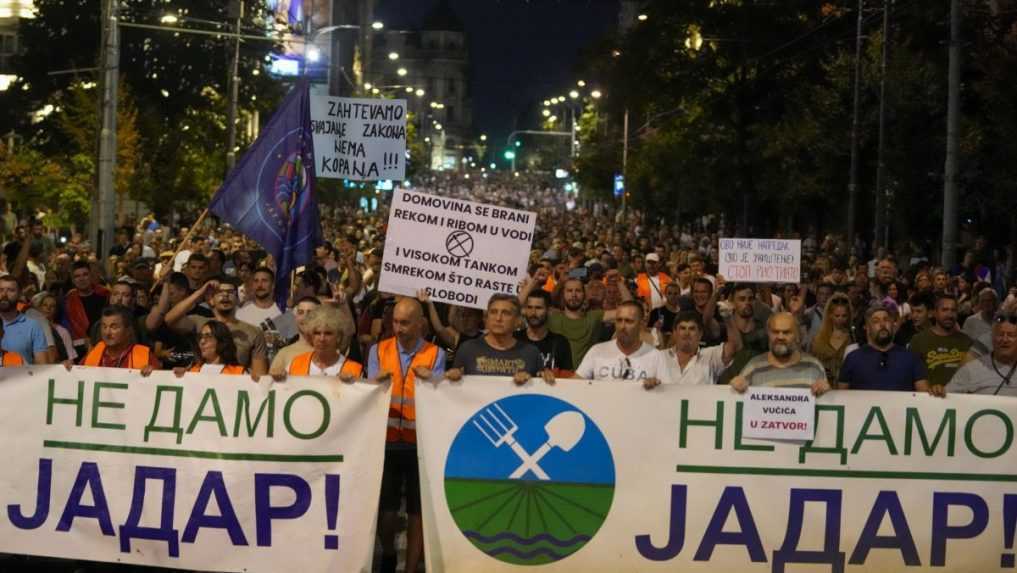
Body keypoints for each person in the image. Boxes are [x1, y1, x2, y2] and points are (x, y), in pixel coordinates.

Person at [366, 298, 445, 573]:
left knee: (417, 513)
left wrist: (433, 380)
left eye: (405, 322)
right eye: (395, 322)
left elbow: (441, 397)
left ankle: (411, 568)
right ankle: (388, 553)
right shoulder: (378, 350)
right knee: (386, 513)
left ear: (420, 323)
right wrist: (374, 381)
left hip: (419, 445)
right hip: (385, 442)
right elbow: (369, 392)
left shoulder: (436, 354)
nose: (398, 328)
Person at [163, 279, 268, 378]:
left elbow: (260, 376)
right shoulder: (199, 322)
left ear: (237, 299)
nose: (225, 295)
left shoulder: (253, 332)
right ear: (211, 300)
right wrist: (200, 292)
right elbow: (169, 319)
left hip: (233, 388)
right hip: (198, 386)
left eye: (230, 292)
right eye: (220, 292)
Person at [520, 274, 632, 366]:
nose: (573, 295)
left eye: (578, 291)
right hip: (557, 378)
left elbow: (630, 311)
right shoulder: (552, 316)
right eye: (569, 291)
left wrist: (619, 282)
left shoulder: (594, 317)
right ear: (563, 294)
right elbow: (514, 309)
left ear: (585, 294)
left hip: (584, 380)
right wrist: (534, 281)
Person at [447, 294, 547, 383]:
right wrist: (452, 376)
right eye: (493, 312)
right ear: (486, 318)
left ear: (518, 321)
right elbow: (452, 392)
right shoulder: (467, 349)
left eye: (506, 313)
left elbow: (541, 393)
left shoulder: (531, 353)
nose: (498, 318)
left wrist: (535, 381)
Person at [730, 312, 831, 396]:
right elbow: (737, 403)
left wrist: (825, 391)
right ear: (768, 334)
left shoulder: (814, 366)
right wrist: (736, 387)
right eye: (775, 332)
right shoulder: (754, 367)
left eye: (786, 332)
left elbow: (824, 408)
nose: (780, 337)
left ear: (797, 336)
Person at [838, 306, 933, 393]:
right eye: (876, 321)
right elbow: (840, 398)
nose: (882, 324)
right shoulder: (852, 358)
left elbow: (924, 395)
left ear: (893, 325)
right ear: (867, 328)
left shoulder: (911, 358)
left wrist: (935, 391)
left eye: (886, 320)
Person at [575, 300, 666, 389]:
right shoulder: (596, 351)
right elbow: (573, 385)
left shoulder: (656, 356)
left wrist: (657, 387)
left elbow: (669, 393)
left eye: (629, 321)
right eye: (619, 320)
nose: (622, 326)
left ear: (641, 324)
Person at [659, 310, 740, 385]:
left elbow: (734, 346)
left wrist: (728, 318)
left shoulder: (710, 356)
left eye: (692, 329)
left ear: (700, 334)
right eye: (682, 328)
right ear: (675, 333)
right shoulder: (659, 357)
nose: (687, 333)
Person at [908, 294, 972, 388]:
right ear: (935, 313)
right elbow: (911, 376)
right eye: (945, 310)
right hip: (928, 399)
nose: (949, 315)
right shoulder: (918, 340)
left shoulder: (967, 341)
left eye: (953, 310)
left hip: (961, 399)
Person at [948, 312, 1017, 396]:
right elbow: (947, 398)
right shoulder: (970, 370)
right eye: (1000, 335)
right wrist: (938, 392)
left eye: (1011, 335)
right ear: (992, 339)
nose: (1005, 339)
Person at [285, 305, 363, 379]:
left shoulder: (355, 370)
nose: (322, 339)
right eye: (317, 333)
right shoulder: (295, 364)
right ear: (310, 336)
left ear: (338, 337)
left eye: (328, 333)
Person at [80, 305, 156, 373]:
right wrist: (68, 369)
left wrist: (154, 375)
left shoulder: (144, 356)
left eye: (114, 327)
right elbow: (77, 374)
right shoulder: (94, 353)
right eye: (104, 327)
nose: (107, 333)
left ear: (128, 331)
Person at [515, 289, 574, 376]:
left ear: (549, 311)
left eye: (538, 308)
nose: (533, 313)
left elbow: (568, 379)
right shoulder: (514, 338)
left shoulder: (560, 342)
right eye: (529, 307)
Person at [63, 260, 109, 356]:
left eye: (85, 274)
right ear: (72, 280)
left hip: (106, 345)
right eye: (77, 276)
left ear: (91, 276)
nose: (81, 279)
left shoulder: (105, 295)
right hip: (78, 351)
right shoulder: (68, 301)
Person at [0, 275, 49, 364]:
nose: (4, 294)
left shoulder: (33, 326)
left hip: (22, 376)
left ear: (19, 294)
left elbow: (42, 366)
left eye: (11, 290)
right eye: (1, 290)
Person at [269, 296, 322, 377]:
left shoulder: (329, 351)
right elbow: (269, 386)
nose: (305, 317)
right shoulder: (284, 353)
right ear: (295, 317)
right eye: (301, 312)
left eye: (310, 313)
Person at [175, 320, 247, 376]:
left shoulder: (239, 373)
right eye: (200, 337)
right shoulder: (192, 371)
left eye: (208, 336)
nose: (202, 341)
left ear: (221, 341)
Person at [808, 294, 854, 380]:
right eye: (837, 315)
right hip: (822, 383)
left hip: (846, 386)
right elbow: (812, 364)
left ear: (848, 316)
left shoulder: (852, 338)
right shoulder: (818, 339)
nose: (840, 319)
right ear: (830, 315)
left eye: (844, 316)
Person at [648, 282, 683, 347]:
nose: (672, 296)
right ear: (665, 294)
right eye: (669, 293)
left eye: (675, 294)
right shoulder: (656, 312)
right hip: (659, 349)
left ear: (680, 295)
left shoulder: (683, 314)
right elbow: (647, 333)